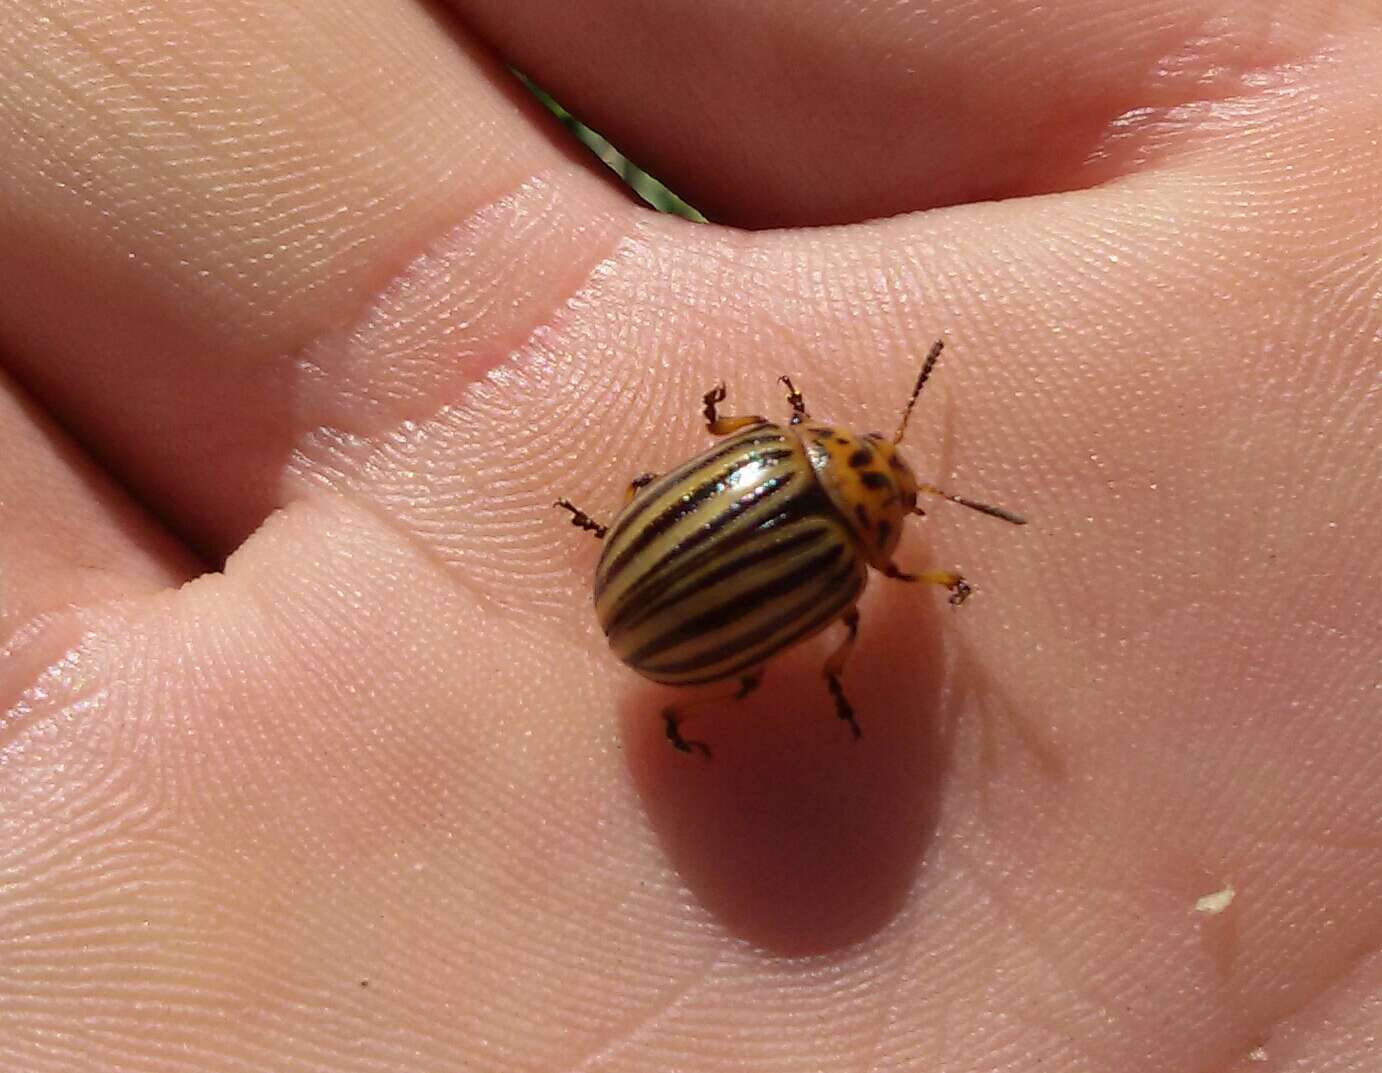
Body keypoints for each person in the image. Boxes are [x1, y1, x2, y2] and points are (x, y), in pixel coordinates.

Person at [0, 2, 1377, 1070]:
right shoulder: (845, 561)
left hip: (655, 593)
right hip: (667, 612)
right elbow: (839, 608)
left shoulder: (792, 476)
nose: (885, 473)